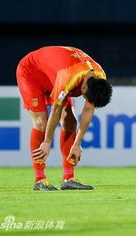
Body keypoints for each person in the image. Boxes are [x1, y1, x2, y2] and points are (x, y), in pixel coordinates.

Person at [17, 46, 113, 191]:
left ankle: (68, 178)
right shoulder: (69, 77)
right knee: (41, 122)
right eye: (86, 97)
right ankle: (40, 179)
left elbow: (88, 109)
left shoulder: (99, 77)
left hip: (54, 74)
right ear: (84, 89)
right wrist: (47, 142)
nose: (87, 101)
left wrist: (77, 144)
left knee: (70, 122)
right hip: (31, 72)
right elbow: (56, 109)